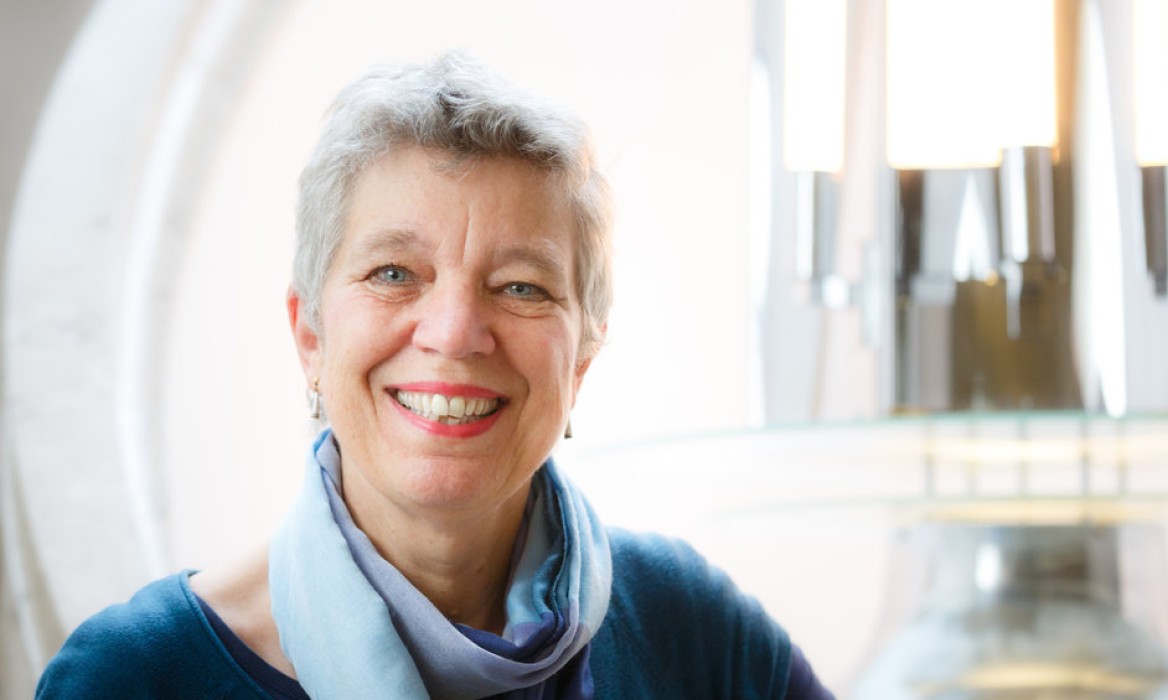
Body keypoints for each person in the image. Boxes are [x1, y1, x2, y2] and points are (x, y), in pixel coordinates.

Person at [36, 52, 834, 699]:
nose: (453, 333)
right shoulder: (133, 678)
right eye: (393, 273)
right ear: (310, 336)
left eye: (520, 286)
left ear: (582, 361)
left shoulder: (690, 627)